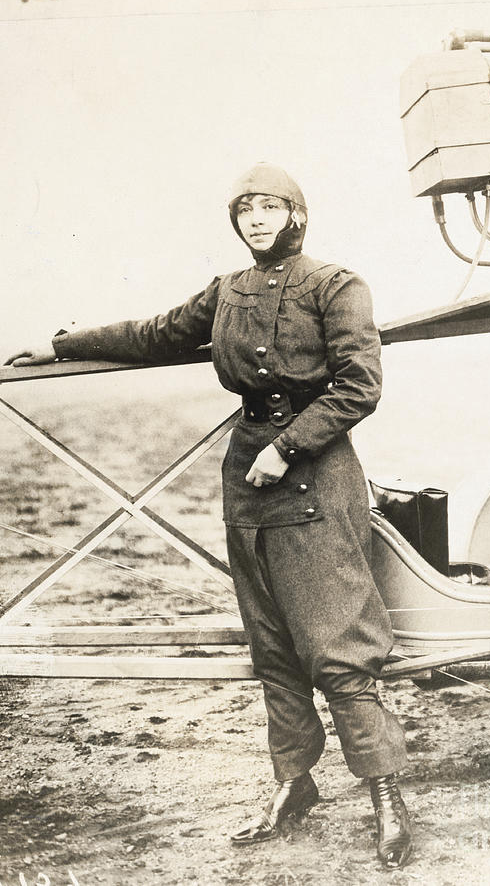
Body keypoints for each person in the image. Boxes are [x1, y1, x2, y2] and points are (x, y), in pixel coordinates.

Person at [5, 163, 413, 868]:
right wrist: (62, 345)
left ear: (297, 215)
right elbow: (156, 333)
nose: (255, 219)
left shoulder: (336, 284)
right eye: (244, 209)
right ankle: (294, 785)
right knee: (275, 647)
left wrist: (288, 448)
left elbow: (359, 384)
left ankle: (386, 797)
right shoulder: (228, 291)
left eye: (269, 207)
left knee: (338, 644)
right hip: (247, 485)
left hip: (316, 478)